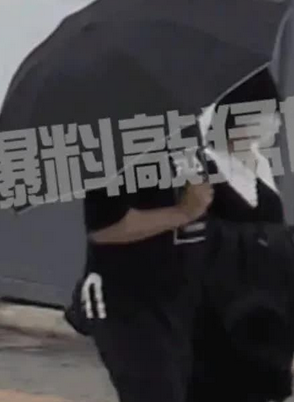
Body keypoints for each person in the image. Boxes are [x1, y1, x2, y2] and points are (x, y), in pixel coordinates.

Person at [188, 68, 294, 402]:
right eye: (264, 113)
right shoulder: (204, 165)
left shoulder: (261, 164)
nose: (273, 123)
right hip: (218, 316)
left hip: (267, 315)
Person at [80, 169, 213, 402]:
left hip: (185, 298)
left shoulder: (192, 149)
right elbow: (104, 227)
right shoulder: (117, 155)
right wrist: (183, 212)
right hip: (131, 303)